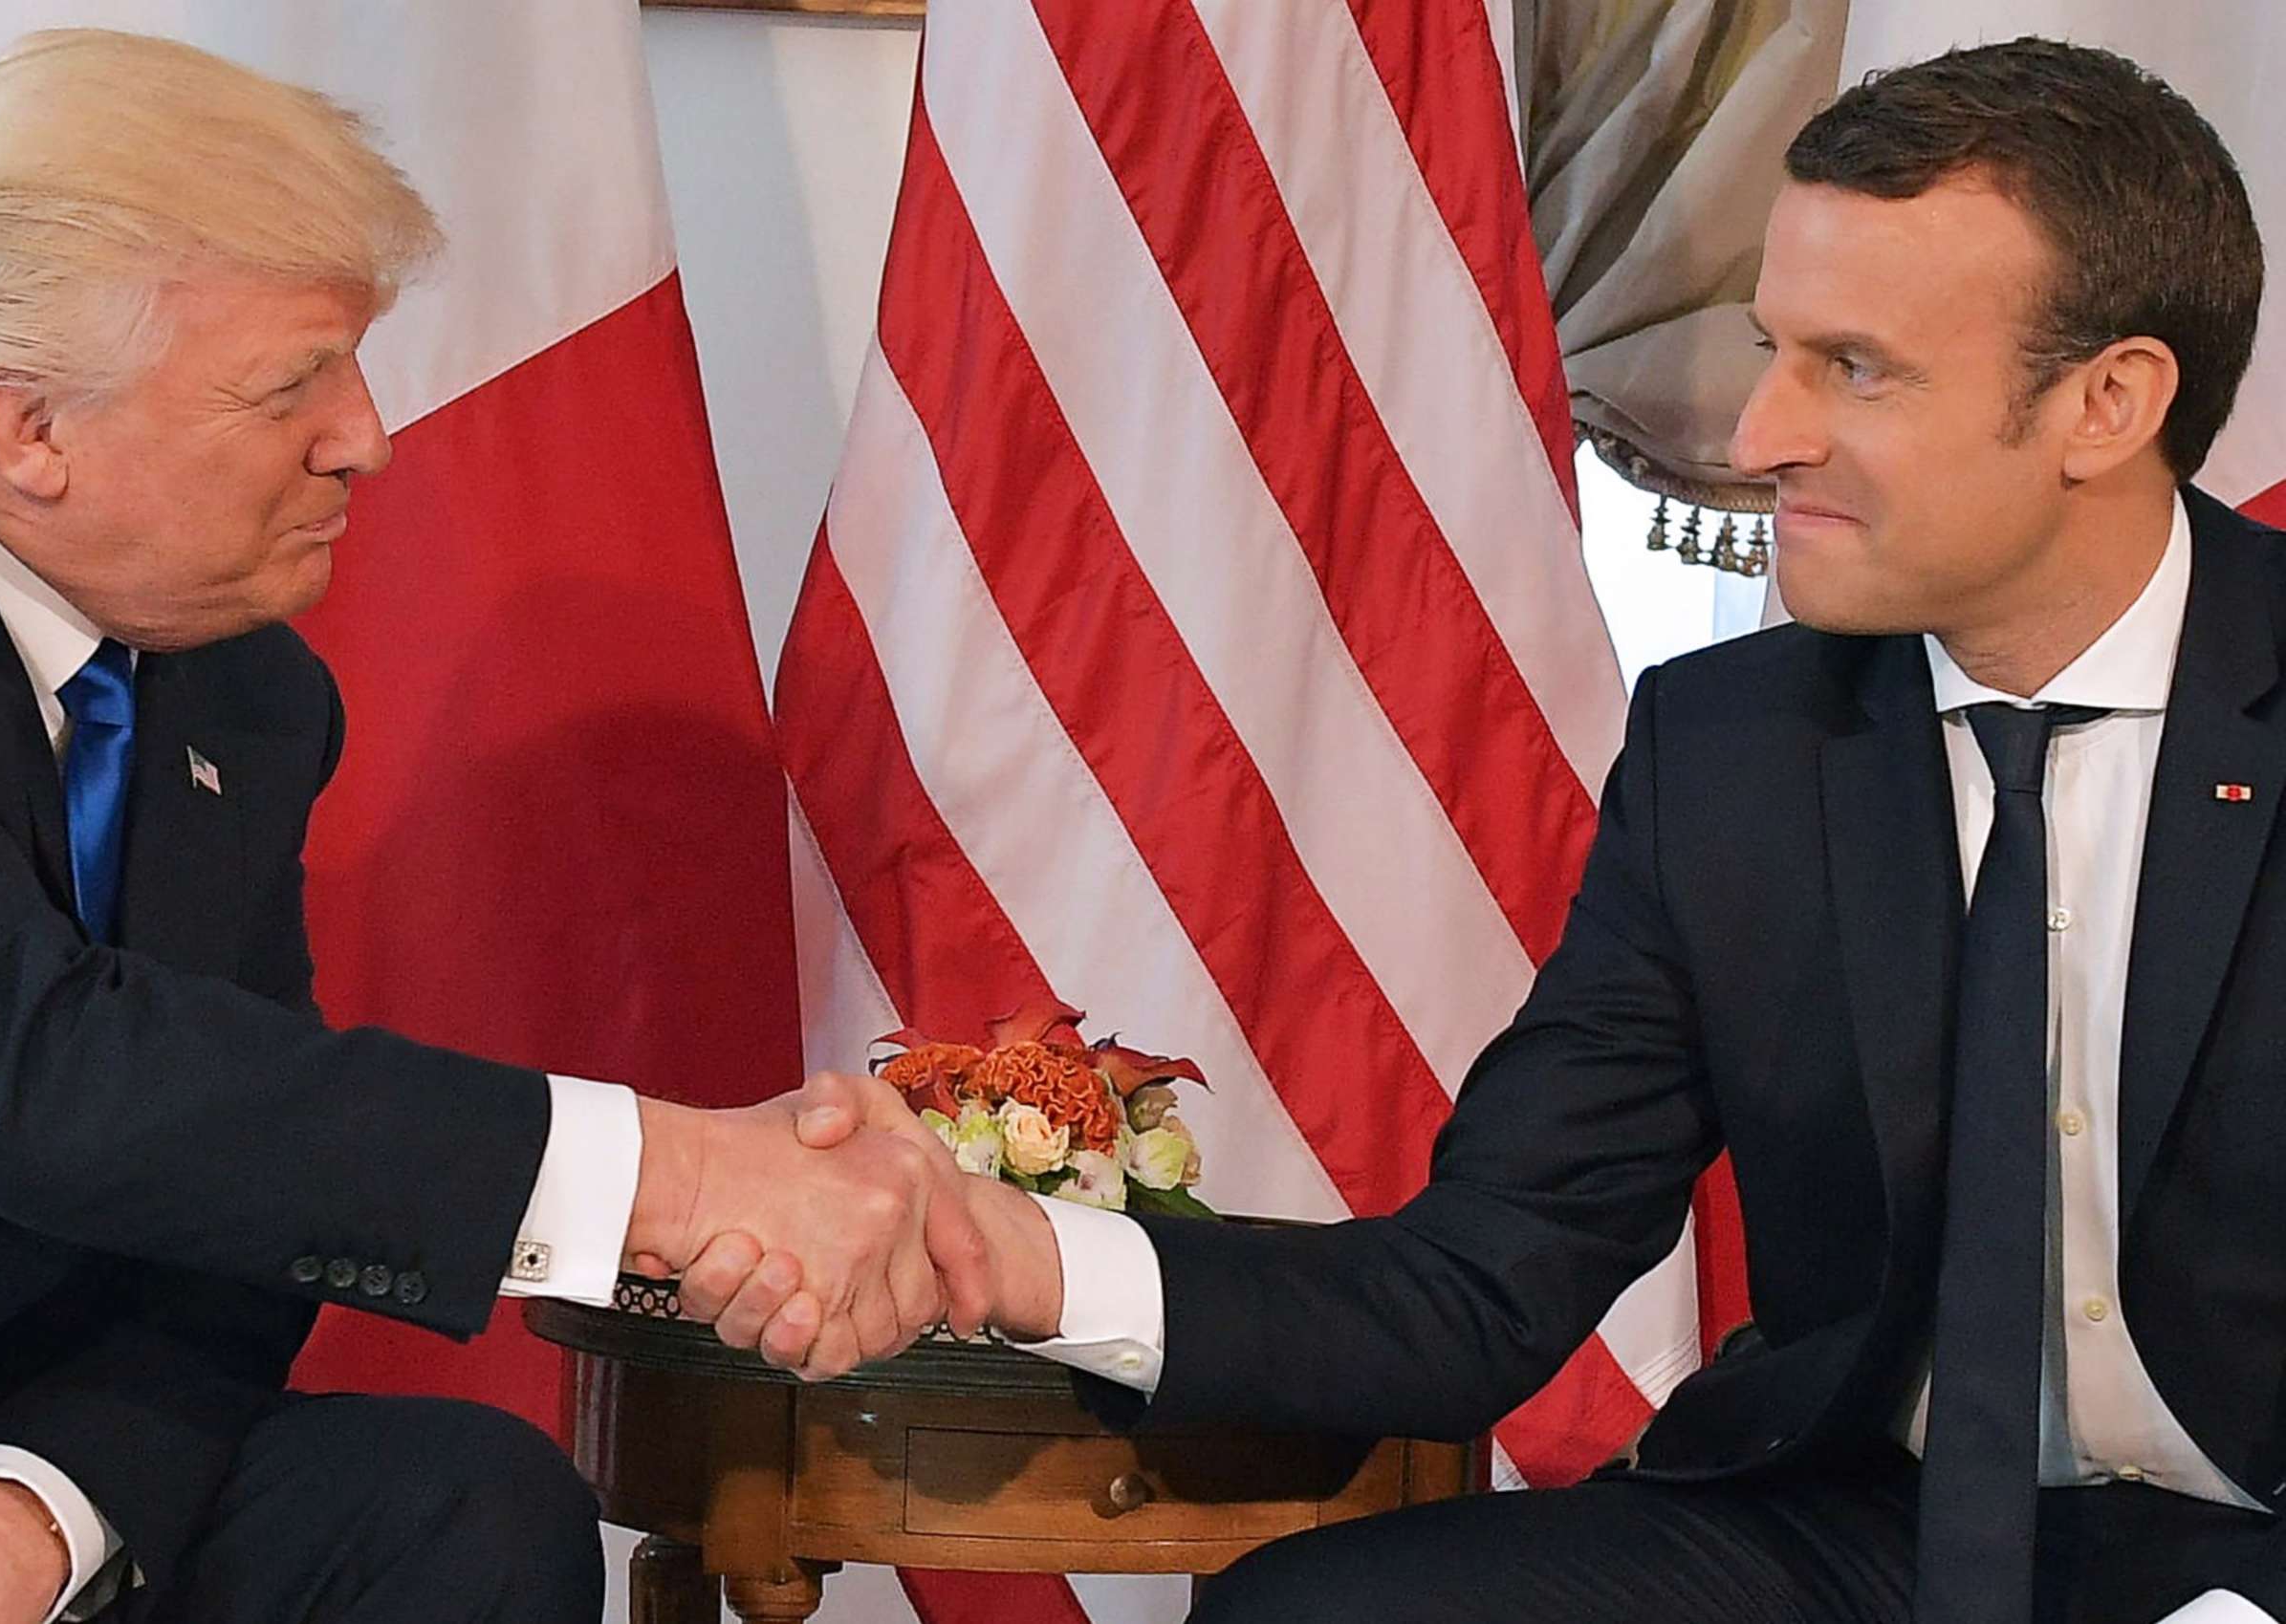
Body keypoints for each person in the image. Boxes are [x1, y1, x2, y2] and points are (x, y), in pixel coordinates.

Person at [727, 35, 2286, 1624]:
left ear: (2110, 401)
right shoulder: (1735, 750)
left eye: (1857, 369)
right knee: (1316, 1615)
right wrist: (1011, 1252)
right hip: (1858, 1526)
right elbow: (1480, 1280)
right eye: (1773, 351)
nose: (1758, 435)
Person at [0, 30, 979, 1624]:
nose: (366, 436)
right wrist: (679, 1179)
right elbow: (29, 1066)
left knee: (453, 1507)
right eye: (295, 380)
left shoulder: (244, 699)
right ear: (28, 428)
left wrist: (16, 1525)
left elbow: (219, 1215)